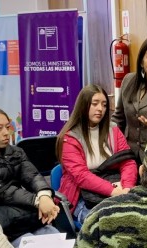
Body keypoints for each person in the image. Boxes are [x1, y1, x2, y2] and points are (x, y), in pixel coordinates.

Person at [56, 84, 138, 223]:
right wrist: (114, 191)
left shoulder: (113, 130)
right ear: (83, 105)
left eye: (104, 105)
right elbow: (82, 176)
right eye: (95, 104)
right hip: (82, 197)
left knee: (135, 219)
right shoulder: (69, 138)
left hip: (117, 189)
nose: (100, 109)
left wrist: (127, 188)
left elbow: (127, 161)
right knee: (111, 224)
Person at [0, 107, 60, 242]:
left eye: (7, 127)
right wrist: (36, 201)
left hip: (21, 209)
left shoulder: (16, 152)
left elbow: (33, 176)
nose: (6, 133)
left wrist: (44, 194)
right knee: (30, 244)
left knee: (55, 237)